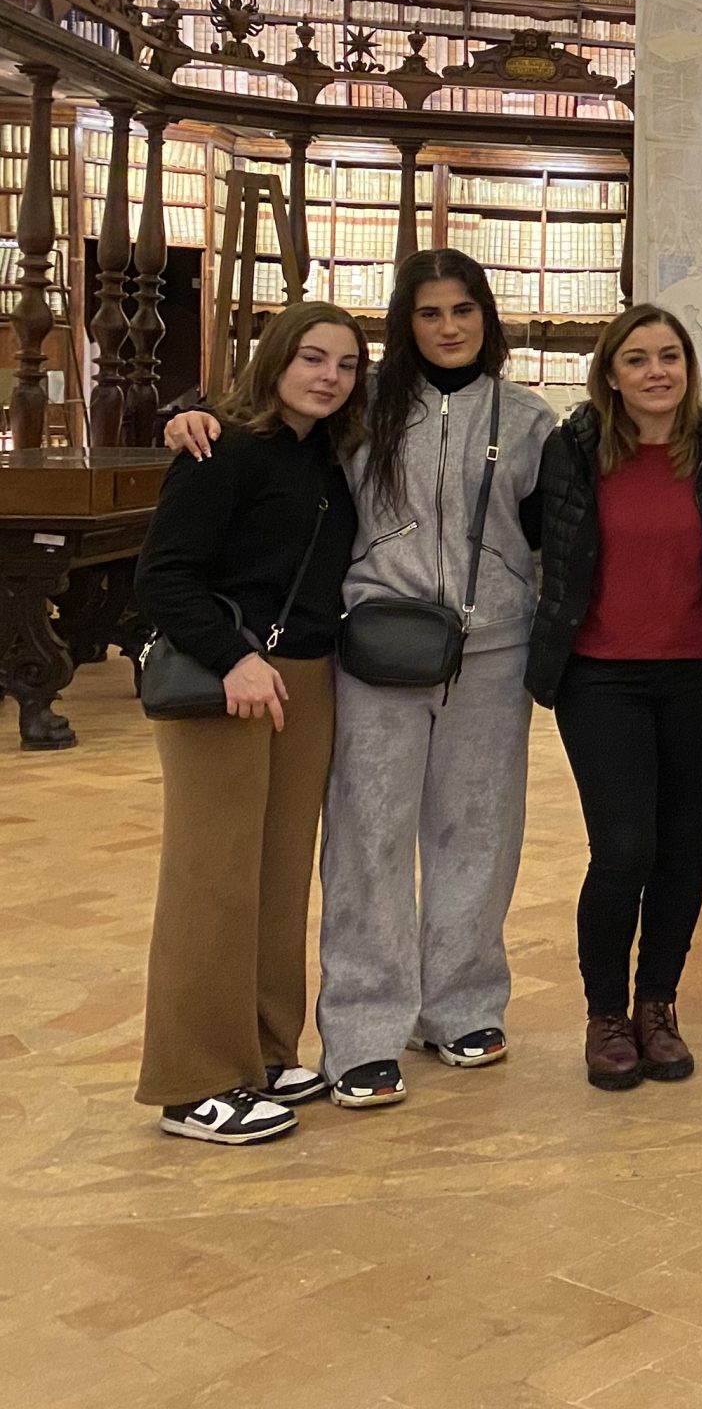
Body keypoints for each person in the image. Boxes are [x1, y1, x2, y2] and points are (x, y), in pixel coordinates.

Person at [169, 249, 555, 1110]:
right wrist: (191, 417)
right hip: (377, 650)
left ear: (486, 316)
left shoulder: (531, 419)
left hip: (494, 656)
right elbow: (276, 433)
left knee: (480, 836)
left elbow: (551, 534)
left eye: (464, 310)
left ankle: (459, 1006)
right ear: (405, 323)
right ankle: (363, 1030)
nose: (449, 326)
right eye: (429, 313)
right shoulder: (363, 410)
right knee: (367, 840)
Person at [133, 303, 365, 1144]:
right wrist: (234, 657)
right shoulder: (215, 446)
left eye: (345, 364)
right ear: (274, 361)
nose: (328, 376)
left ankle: (264, 1050)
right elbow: (164, 576)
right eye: (312, 357)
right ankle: (194, 1081)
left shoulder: (331, 461)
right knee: (211, 877)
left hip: (304, 677)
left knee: (276, 874)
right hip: (224, 680)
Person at [528, 305, 702, 1093]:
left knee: (683, 850)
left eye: (670, 356)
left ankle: (658, 1007)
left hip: (698, 674)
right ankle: (605, 1014)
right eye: (639, 358)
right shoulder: (574, 447)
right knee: (624, 850)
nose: (657, 372)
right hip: (600, 674)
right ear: (610, 372)